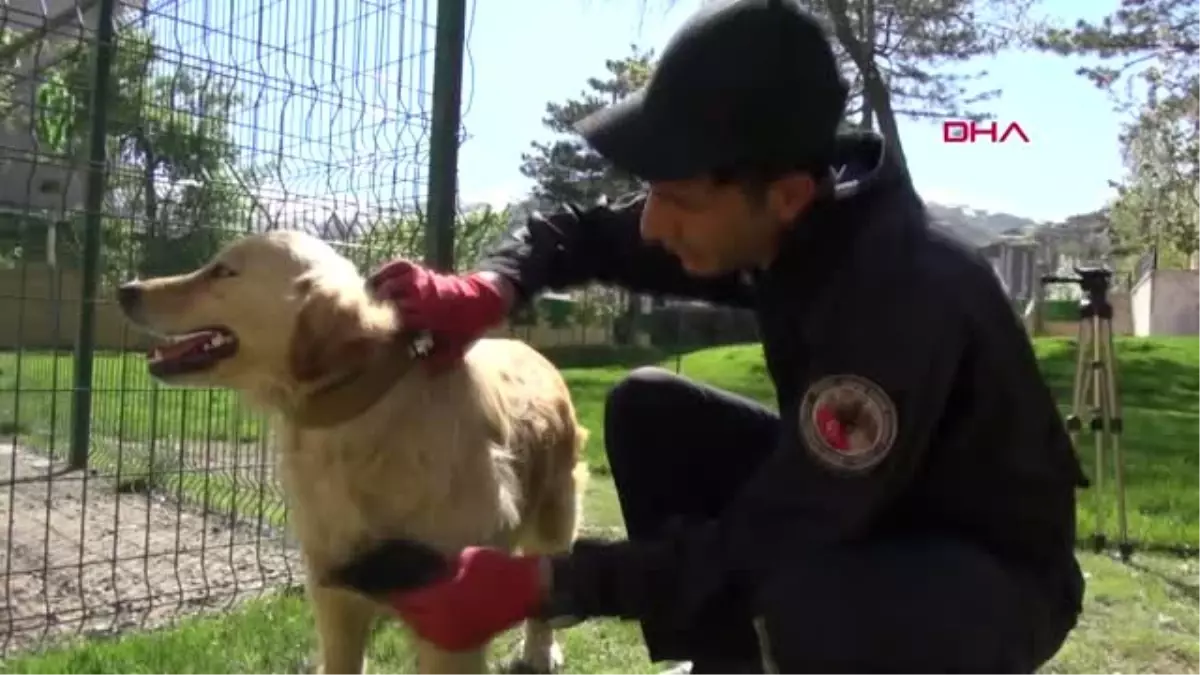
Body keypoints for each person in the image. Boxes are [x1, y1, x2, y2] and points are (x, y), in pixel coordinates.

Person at [340, 0, 1088, 672]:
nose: (652, 223)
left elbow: (782, 532)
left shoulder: (895, 297)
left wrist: (546, 582)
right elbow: (578, 233)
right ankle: (728, 662)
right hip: (865, 510)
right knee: (648, 408)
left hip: (989, 574)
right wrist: (489, 287)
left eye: (677, 199)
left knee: (807, 593)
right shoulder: (781, 222)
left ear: (788, 196)